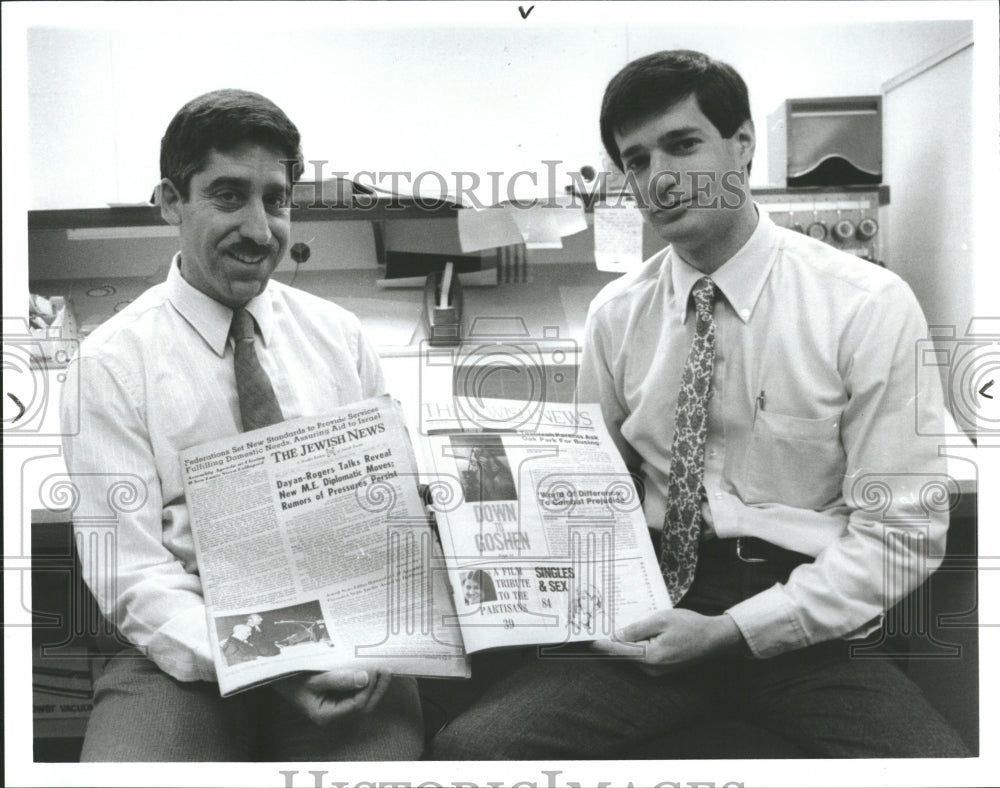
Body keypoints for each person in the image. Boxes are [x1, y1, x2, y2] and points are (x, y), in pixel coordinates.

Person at [431, 50, 969, 759]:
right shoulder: (617, 313)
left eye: (683, 144)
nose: (659, 178)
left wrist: (734, 629)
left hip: (808, 616)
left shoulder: (864, 303)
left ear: (741, 146)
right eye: (637, 159)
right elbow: (593, 491)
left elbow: (903, 532)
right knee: (474, 752)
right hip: (654, 601)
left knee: (934, 771)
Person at [61, 89, 423, 761]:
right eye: (228, 196)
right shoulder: (110, 363)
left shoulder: (339, 337)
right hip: (184, 646)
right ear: (171, 199)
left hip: (343, 639)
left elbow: (386, 520)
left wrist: (375, 630)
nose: (260, 230)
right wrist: (272, 657)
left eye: (275, 199)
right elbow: (133, 576)